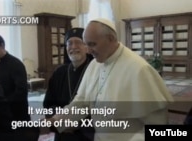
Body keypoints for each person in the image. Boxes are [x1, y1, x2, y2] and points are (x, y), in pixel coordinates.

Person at [42, 18, 174, 141]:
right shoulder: (94, 64)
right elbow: (82, 102)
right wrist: (56, 120)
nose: (88, 50)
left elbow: (158, 124)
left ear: (111, 39)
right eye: (86, 44)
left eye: (92, 44)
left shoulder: (139, 69)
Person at [43, 28, 94, 141]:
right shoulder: (59, 73)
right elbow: (48, 103)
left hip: (86, 135)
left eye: (78, 42)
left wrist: (77, 123)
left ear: (87, 47)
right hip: (62, 134)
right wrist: (60, 118)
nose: (73, 46)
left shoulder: (95, 71)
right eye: (69, 43)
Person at [0, 33, 30, 121]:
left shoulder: (15, 64)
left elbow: (21, 92)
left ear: (2, 45)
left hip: (16, 114)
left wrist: (2, 103)